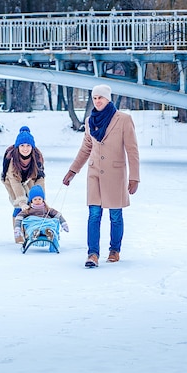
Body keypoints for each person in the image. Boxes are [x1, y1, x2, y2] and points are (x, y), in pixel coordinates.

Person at [62, 84, 140, 268]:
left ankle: (114, 250)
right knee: (94, 214)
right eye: (95, 98)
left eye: (101, 98)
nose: (97, 101)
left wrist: (134, 177)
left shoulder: (123, 120)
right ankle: (93, 254)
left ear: (108, 99)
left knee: (115, 215)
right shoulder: (90, 121)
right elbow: (86, 148)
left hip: (115, 174)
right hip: (94, 173)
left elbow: (132, 150)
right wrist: (73, 171)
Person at [2, 126, 45, 241]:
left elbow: (40, 177)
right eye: (22, 146)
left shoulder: (37, 157)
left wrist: (40, 197)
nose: (25, 149)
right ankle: (19, 236)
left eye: (28, 146)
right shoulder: (12, 158)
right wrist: (21, 202)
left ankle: (33, 232)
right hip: (11, 180)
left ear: (32, 147)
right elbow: (14, 181)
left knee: (35, 204)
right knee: (19, 205)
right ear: (18, 147)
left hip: (30, 178)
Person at [14, 185, 69, 250]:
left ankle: (49, 232)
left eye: (39, 199)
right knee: (29, 221)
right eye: (35, 199)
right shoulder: (28, 210)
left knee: (53, 221)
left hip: (46, 224)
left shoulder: (47, 209)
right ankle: (35, 233)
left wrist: (64, 223)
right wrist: (17, 228)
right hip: (34, 225)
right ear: (31, 201)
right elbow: (19, 218)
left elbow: (58, 215)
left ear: (43, 200)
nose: (37, 201)